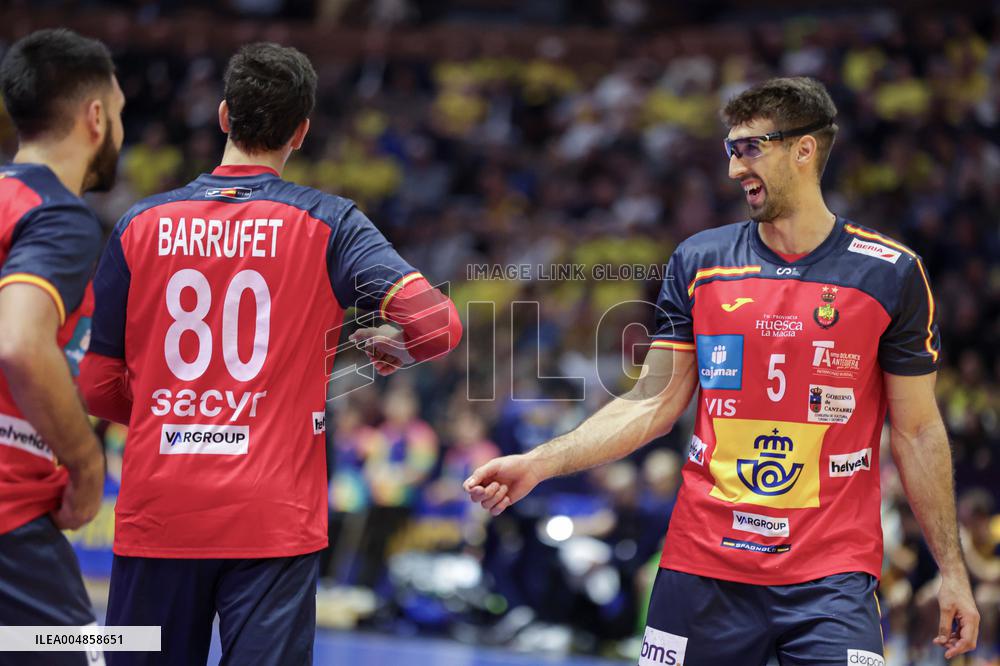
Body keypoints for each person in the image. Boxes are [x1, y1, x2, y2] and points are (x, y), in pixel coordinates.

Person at [465, 77, 980, 664]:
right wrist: (539, 463)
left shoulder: (890, 274)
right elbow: (649, 403)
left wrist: (953, 572)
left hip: (830, 578)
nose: (735, 169)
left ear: (803, 150)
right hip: (702, 567)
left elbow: (917, 430)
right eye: (730, 150)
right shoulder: (700, 260)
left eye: (750, 148)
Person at [78, 42, 461, 665]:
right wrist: (394, 345)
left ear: (224, 116)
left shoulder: (138, 224)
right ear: (302, 132)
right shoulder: (331, 222)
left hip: (160, 510)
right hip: (272, 518)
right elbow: (439, 327)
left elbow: (95, 387)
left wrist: (178, 415)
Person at [0, 28, 124, 666]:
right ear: (96, 116)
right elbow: (20, 344)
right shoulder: (56, 214)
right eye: (122, 113)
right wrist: (85, 465)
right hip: (9, 515)